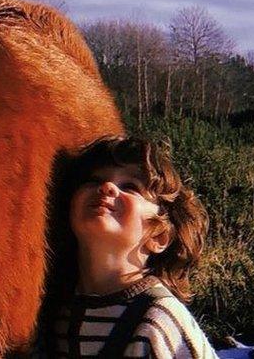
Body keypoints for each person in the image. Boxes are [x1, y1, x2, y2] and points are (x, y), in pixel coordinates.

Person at [35, 135, 218, 358]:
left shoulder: (159, 317)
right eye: (93, 180)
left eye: (130, 186)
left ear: (159, 236)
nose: (107, 187)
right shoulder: (57, 313)